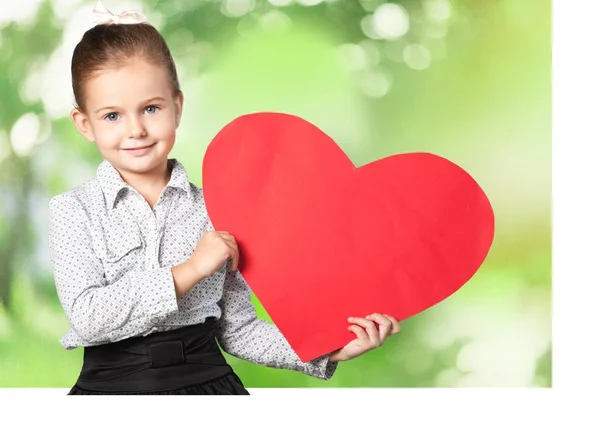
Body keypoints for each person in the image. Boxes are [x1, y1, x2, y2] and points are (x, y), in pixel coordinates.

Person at [47, 1, 401, 395]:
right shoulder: (73, 210)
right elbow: (88, 317)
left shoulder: (217, 209)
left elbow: (239, 331)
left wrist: (329, 350)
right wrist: (192, 269)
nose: (136, 130)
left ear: (177, 107)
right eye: (112, 116)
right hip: (108, 392)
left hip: (208, 386)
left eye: (150, 108)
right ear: (85, 123)